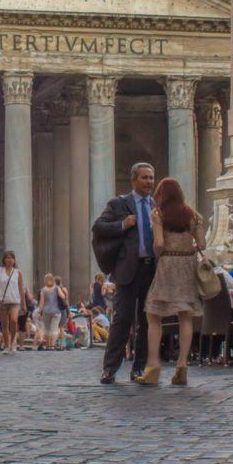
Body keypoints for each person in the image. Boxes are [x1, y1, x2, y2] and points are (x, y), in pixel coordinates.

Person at [135, 177, 206, 387]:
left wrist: (161, 253)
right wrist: (188, 249)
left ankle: (153, 366)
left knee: (153, 314)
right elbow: (201, 243)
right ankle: (182, 365)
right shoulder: (193, 215)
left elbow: (158, 243)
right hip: (188, 264)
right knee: (186, 315)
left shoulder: (158, 214)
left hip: (168, 263)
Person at [92, 162, 158, 384]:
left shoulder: (156, 206)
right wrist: (122, 224)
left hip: (151, 269)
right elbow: (98, 227)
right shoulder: (119, 204)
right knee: (122, 320)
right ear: (133, 179)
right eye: (144, 178)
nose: (149, 182)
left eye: (151, 178)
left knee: (147, 322)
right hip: (128, 269)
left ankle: (139, 368)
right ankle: (110, 369)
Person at [0, 251, 25, 354]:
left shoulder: (18, 272)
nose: (9, 260)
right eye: (7, 258)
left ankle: (13, 342)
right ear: (4, 260)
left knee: (13, 321)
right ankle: (7, 345)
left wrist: (24, 304)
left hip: (15, 300)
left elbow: (21, 289)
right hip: (3, 300)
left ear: (14, 260)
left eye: (11, 258)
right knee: (4, 324)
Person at [38, 274, 63, 350]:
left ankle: (47, 345)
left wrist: (39, 312)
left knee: (47, 329)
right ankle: (52, 346)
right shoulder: (56, 288)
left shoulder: (43, 290)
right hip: (56, 311)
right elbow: (63, 296)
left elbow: (41, 303)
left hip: (46, 312)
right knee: (54, 329)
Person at [55, 276, 70, 350]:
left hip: (56, 309)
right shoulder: (64, 289)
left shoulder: (54, 289)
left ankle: (55, 343)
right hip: (63, 309)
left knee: (55, 327)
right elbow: (66, 302)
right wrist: (69, 312)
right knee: (62, 327)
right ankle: (61, 344)